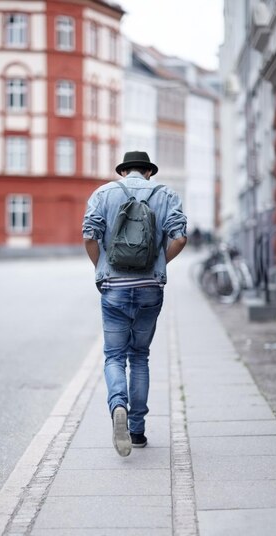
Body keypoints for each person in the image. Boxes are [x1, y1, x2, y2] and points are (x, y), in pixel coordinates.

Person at [82, 151, 187, 457]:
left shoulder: (103, 193)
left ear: (125, 171)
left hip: (114, 288)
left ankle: (118, 406)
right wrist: (159, 264)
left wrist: (100, 268)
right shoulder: (165, 194)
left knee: (114, 356)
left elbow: (90, 235)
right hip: (149, 289)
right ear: (148, 172)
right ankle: (137, 431)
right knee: (139, 356)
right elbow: (179, 238)